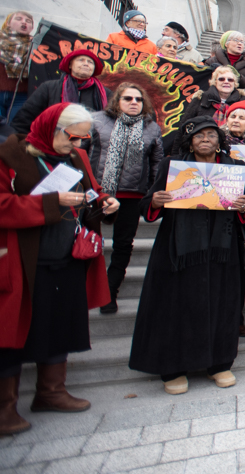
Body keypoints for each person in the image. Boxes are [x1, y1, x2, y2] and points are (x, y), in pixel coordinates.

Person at [0, 103, 119, 435]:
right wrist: (52, 203)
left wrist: (105, 203)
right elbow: (3, 205)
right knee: (10, 333)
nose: (79, 146)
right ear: (51, 128)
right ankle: (4, 408)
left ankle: (51, 392)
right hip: (24, 260)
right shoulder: (11, 155)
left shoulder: (76, 158)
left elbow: (90, 191)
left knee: (60, 324)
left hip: (67, 255)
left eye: (84, 139)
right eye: (74, 138)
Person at [129, 117, 245, 394]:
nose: (205, 139)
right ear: (189, 140)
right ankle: (173, 367)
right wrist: (156, 201)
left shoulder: (235, 168)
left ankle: (219, 364)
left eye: (211, 135)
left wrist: (244, 205)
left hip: (222, 249)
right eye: (199, 135)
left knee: (222, 303)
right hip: (178, 248)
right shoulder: (173, 166)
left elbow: (244, 210)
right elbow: (147, 205)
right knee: (176, 306)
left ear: (220, 140)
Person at [89, 83, 163, 314]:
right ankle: (86, 288)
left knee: (123, 245)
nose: (134, 102)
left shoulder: (151, 127)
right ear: (116, 101)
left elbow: (156, 163)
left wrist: (150, 194)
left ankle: (110, 292)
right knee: (89, 241)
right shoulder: (96, 121)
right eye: (128, 98)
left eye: (138, 99)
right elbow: (81, 152)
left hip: (132, 195)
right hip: (97, 193)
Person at [221, 99, 245, 337]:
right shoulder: (216, 144)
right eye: (232, 116)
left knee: (241, 270)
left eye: (241, 117)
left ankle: (237, 317)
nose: (236, 120)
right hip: (218, 214)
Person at [13, 49, 108, 133]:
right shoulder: (49, 87)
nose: (86, 63)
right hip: (52, 141)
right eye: (81, 60)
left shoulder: (105, 93)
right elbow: (25, 117)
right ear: (70, 65)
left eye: (90, 62)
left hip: (89, 146)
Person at [177, 65, 245, 133]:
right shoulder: (200, 99)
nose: (226, 81)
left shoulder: (242, 102)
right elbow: (183, 127)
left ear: (234, 83)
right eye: (221, 79)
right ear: (215, 82)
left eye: (230, 80)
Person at [0, 10, 34, 126]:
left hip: (21, 97)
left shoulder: (37, 47)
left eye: (28, 21)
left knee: (13, 132)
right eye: (18, 19)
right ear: (8, 23)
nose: (23, 22)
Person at [206, 31, 245, 98]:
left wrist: (239, 77)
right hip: (214, 100)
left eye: (242, 41)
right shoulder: (212, 61)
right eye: (236, 40)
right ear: (226, 44)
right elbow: (204, 82)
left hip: (238, 103)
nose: (239, 43)